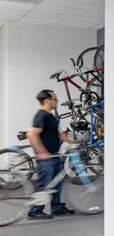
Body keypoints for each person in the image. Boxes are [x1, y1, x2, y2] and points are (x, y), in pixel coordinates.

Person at [26, 90, 76, 219]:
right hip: (46, 158)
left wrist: (68, 139)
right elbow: (32, 134)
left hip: (54, 155)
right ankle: (35, 211)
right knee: (44, 184)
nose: (57, 101)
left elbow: (55, 133)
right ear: (47, 100)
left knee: (56, 184)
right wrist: (42, 153)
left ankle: (57, 207)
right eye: (55, 99)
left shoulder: (50, 115)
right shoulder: (41, 115)